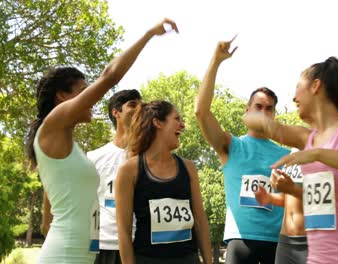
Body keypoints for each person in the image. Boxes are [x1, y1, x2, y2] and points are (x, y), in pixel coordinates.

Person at [24, 18, 179, 263]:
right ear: (62, 97)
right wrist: (149, 33)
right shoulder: (52, 125)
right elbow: (110, 75)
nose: (91, 99)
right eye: (83, 91)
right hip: (64, 256)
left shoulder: (68, 144)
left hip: (84, 255)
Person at [244, 56, 338, 263]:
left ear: (316, 86)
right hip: (318, 257)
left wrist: (319, 154)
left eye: (297, 87)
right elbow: (254, 121)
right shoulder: (306, 137)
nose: (293, 98)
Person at [195, 37, 290, 264]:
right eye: (258, 106)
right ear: (248, 110)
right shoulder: (231, 145)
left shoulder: (286, 155)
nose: (263, 112)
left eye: (269, 108)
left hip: (277, 243)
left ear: (274, 114)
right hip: (240, 242)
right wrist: (216, 61)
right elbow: (201, 112)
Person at [115, 100, 212, 264]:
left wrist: (209, 262)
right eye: (177, 119)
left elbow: (200, 220)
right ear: (157, 122)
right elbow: (123, 231)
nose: (182, 125)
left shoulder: (189, 168)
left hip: (188, 259)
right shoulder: (128, 170)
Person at [87, 89, 142, 264]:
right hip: (104, 247)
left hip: (141, 245)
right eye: (133, 105)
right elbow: (89, 205)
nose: (139, 109)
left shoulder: (149, 157)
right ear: (116, 112)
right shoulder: (94, 157)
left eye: (142, 105)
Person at [254, 146, 308, 264]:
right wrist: (270, 198)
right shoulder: (293, 152)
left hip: (311, 242)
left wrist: (293, 189)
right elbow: (289, 198)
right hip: (286, 242)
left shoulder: (323, 150)